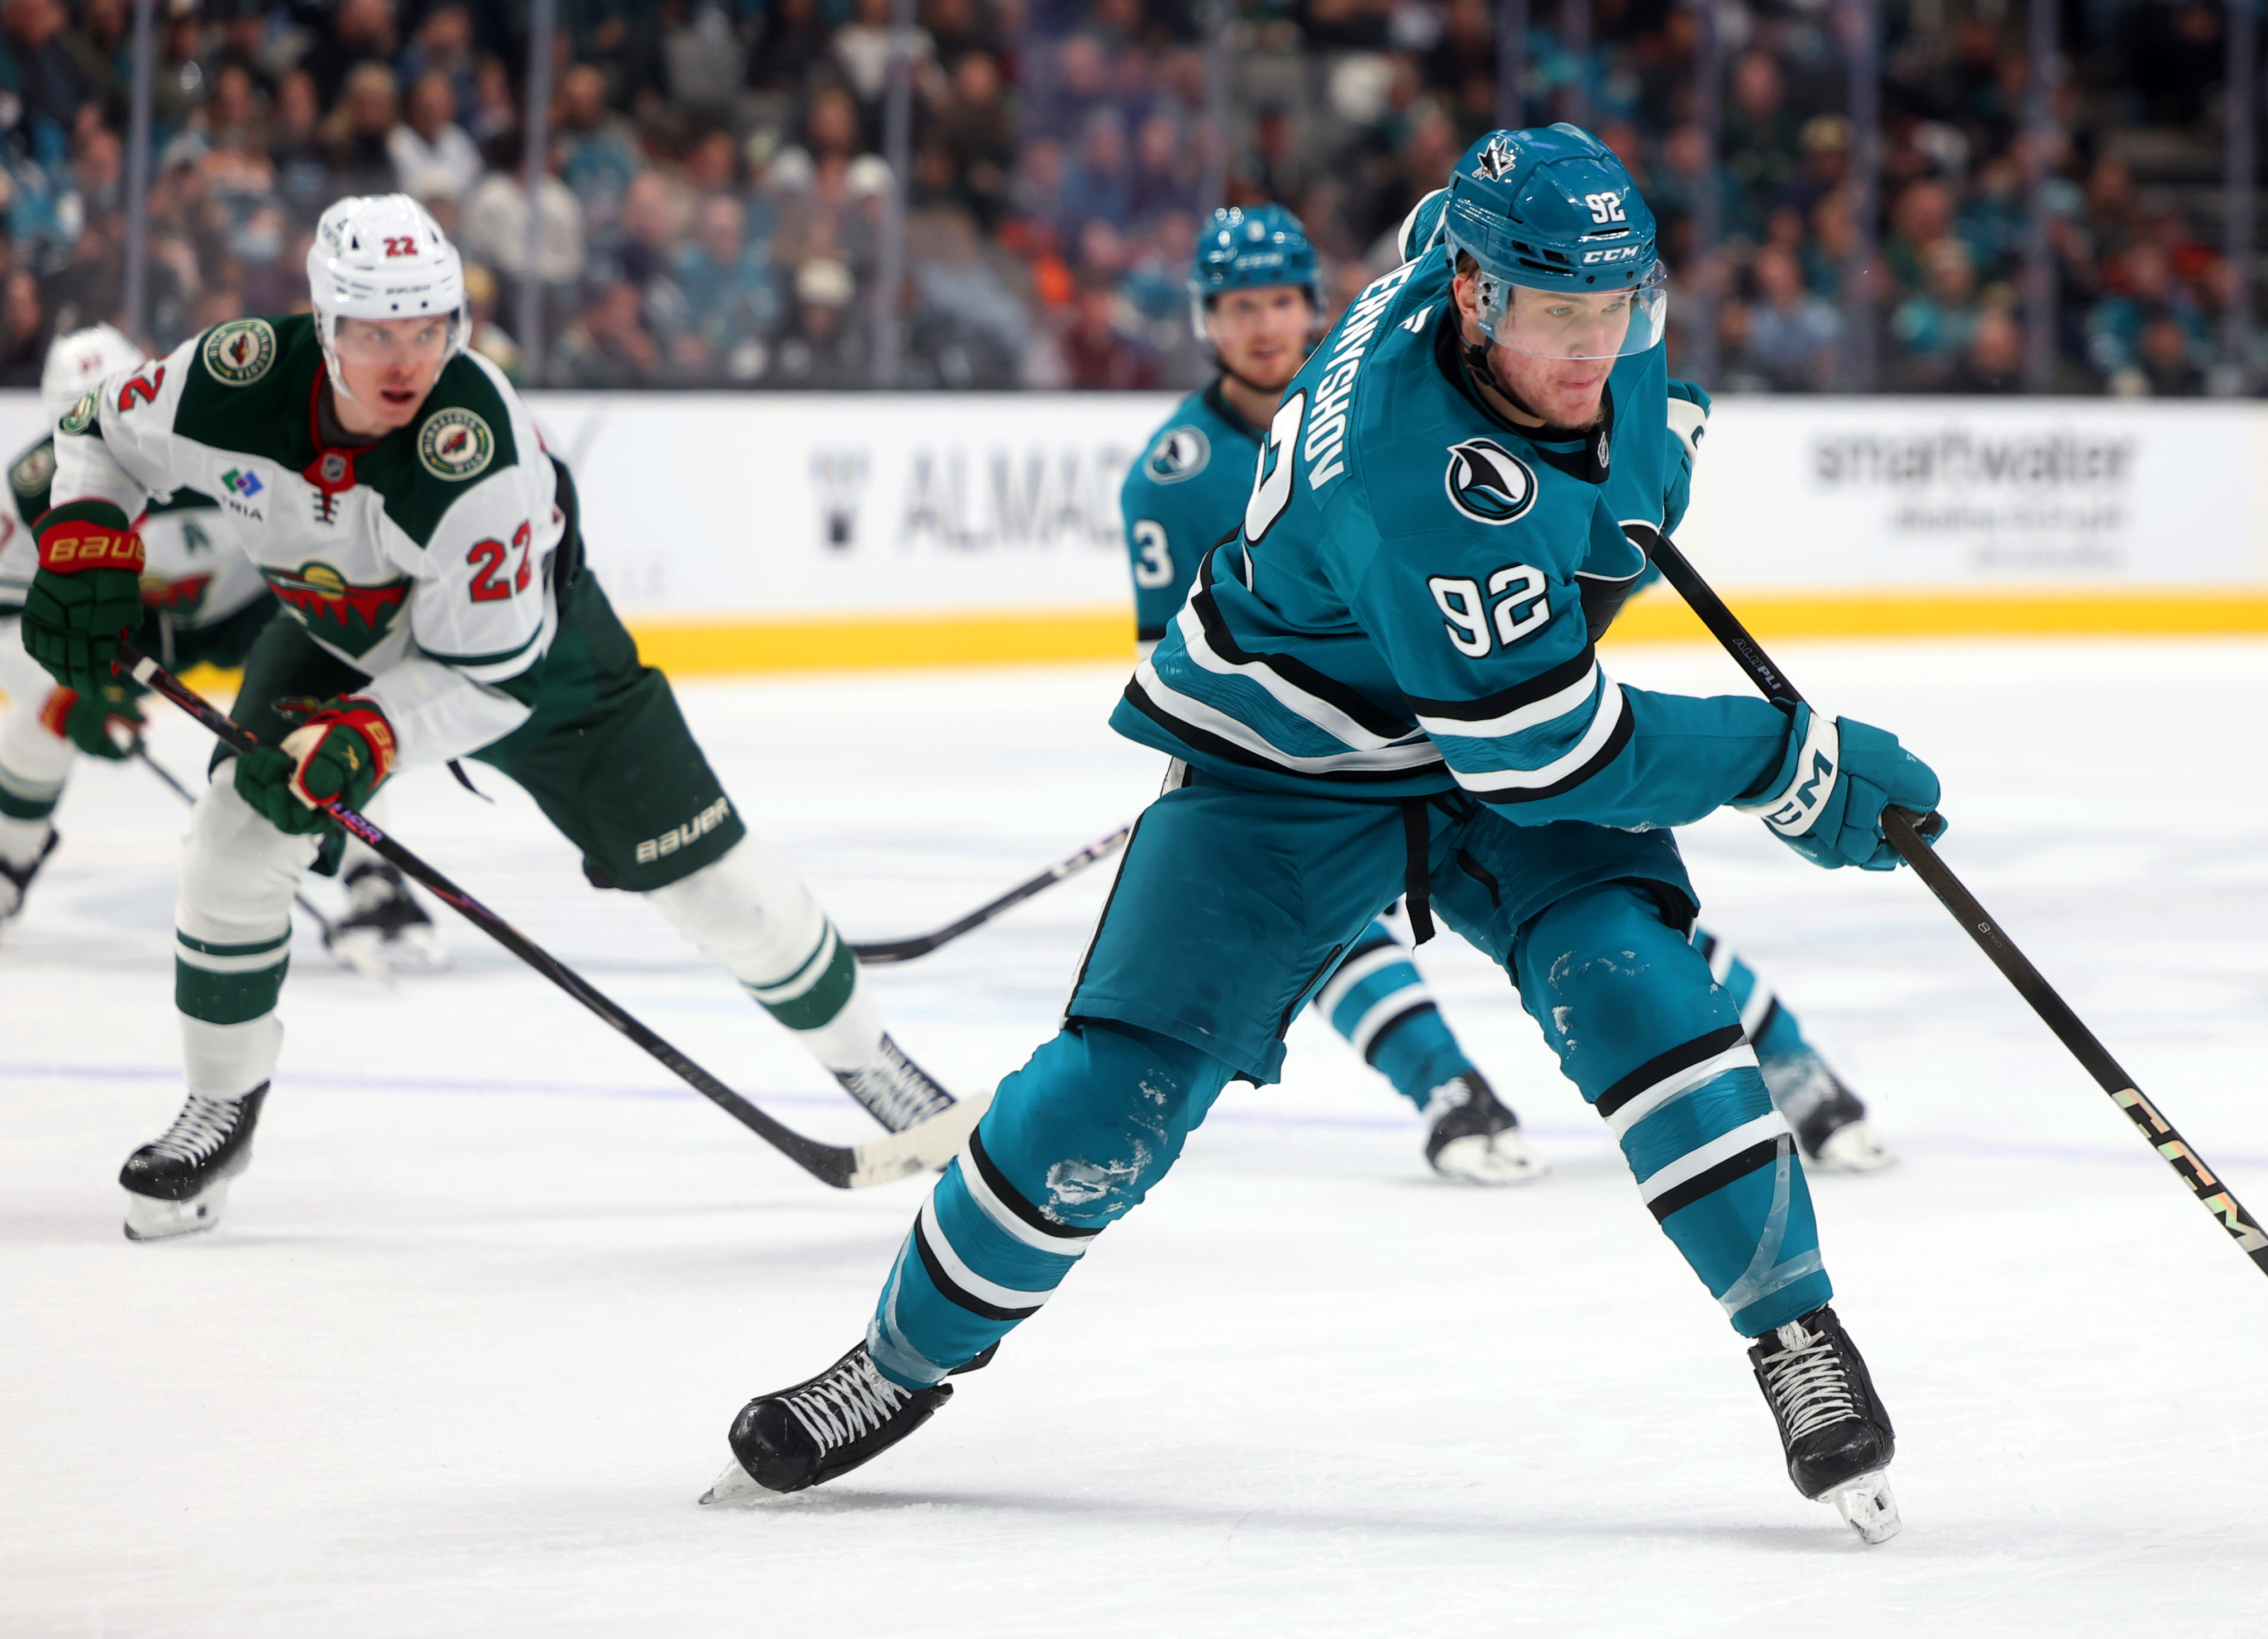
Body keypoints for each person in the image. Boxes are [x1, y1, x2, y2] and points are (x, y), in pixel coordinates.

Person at [712, 128, 1935, 1543]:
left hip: (1489, 710)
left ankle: (1792, 1331)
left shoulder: (1483, 265)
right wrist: (1790, 760)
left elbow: (1531, 317)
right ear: (1473, 301)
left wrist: (1635, 456)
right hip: (1294, 763)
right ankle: (900, 1358)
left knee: (1639, 986)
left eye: (1618, 307)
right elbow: (1546, 752)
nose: (1592, 348)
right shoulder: (1414, 481)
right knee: (1111, 1096)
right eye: (1556, 317)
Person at [17, 194, 959, 1242]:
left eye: (430, 328)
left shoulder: (481, 457)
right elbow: (97, 430)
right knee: (236, 836)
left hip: (542, 663)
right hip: (337, 630)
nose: (406, 359)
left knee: (717, 887)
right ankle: (219, 1109)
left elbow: (492, 680)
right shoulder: (240, 372)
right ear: (324, 326)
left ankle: (874, 1062)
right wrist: (89, 534)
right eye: (376, 331)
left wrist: (369, 737)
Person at [1124, 204, 1543, 1184]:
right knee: (1305, 908)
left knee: (1582, 872)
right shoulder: (1171, 479)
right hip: (1305, 750)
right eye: (1238, 305)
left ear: (1315, 305)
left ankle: (1786, 1069)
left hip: (1445, 715)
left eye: (1280, 299)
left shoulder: (1377, 401)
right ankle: (1451, 1090)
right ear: (1205, 318)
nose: (1264, 324)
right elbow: (1179, 660)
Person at [2, 326, 447, 967]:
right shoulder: (32, 488)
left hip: (263, 602)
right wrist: (66, 700)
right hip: (131, 624)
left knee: (322, 721)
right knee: (53, 705)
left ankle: (372, 876)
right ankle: (9, 860)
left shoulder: (217, 438)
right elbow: (7, 620)